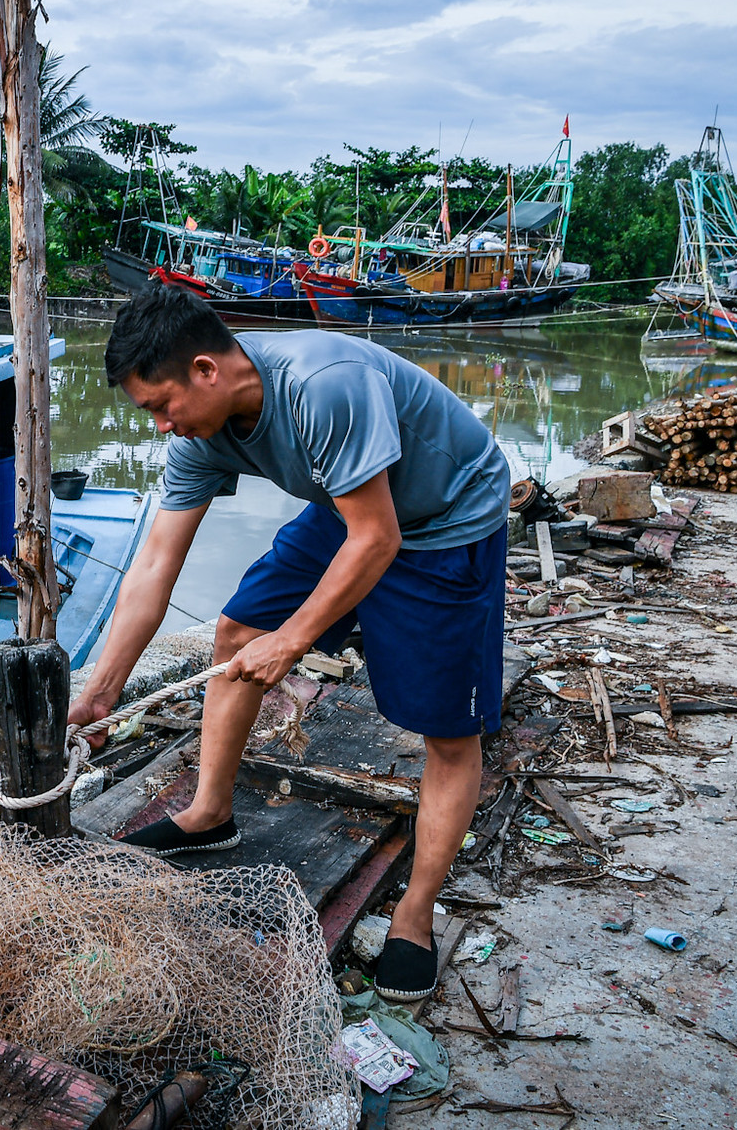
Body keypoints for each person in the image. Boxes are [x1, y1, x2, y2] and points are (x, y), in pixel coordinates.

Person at [70, 283, 510, 1002]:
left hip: (444, 517)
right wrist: (100, 691)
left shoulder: (322, 387)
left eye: (159, 405)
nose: (157, 425)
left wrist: (295, 639)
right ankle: (209, 813)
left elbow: (380, 538)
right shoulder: (200, 435)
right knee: (236, 629)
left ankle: (414, 915)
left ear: (206, 370)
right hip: (351, 503)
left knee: (449, 731)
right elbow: (154, 565)